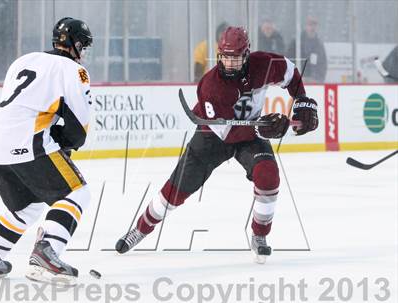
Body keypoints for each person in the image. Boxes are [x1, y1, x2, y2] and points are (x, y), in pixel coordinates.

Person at [116, 27, 318, 263]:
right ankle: (141, 229)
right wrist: (263, 127)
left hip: (251, 133)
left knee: (269, 176)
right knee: (174, 192)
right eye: (225, 57)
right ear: (219, 54)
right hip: (211, 138)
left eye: (236, 57)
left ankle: (259, 235)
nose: (230, 63)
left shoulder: (264, 64)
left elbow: (291, 73)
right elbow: (228, 134)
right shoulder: (211, 85)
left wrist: (302, 102)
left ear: (247, 54)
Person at [0, 17, 93, 286]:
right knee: (77, 192)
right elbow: (79, 128)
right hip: (28, 145)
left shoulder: (24, 60)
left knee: (28, 204)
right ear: (75, 44)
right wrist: (65, 143)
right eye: (84, 46)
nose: (84, 53)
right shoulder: (74, 71)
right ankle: (46, 252)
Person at [286, 16, 327, 83]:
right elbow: (289, 60)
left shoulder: (319, 44)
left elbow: (323, 64)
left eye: (314, 25)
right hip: (298, 81)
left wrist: (318, 79)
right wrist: (295, 77)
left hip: (314, 81)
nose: (312, 27)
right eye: (310, 25)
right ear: (306, 26)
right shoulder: (296, 42)